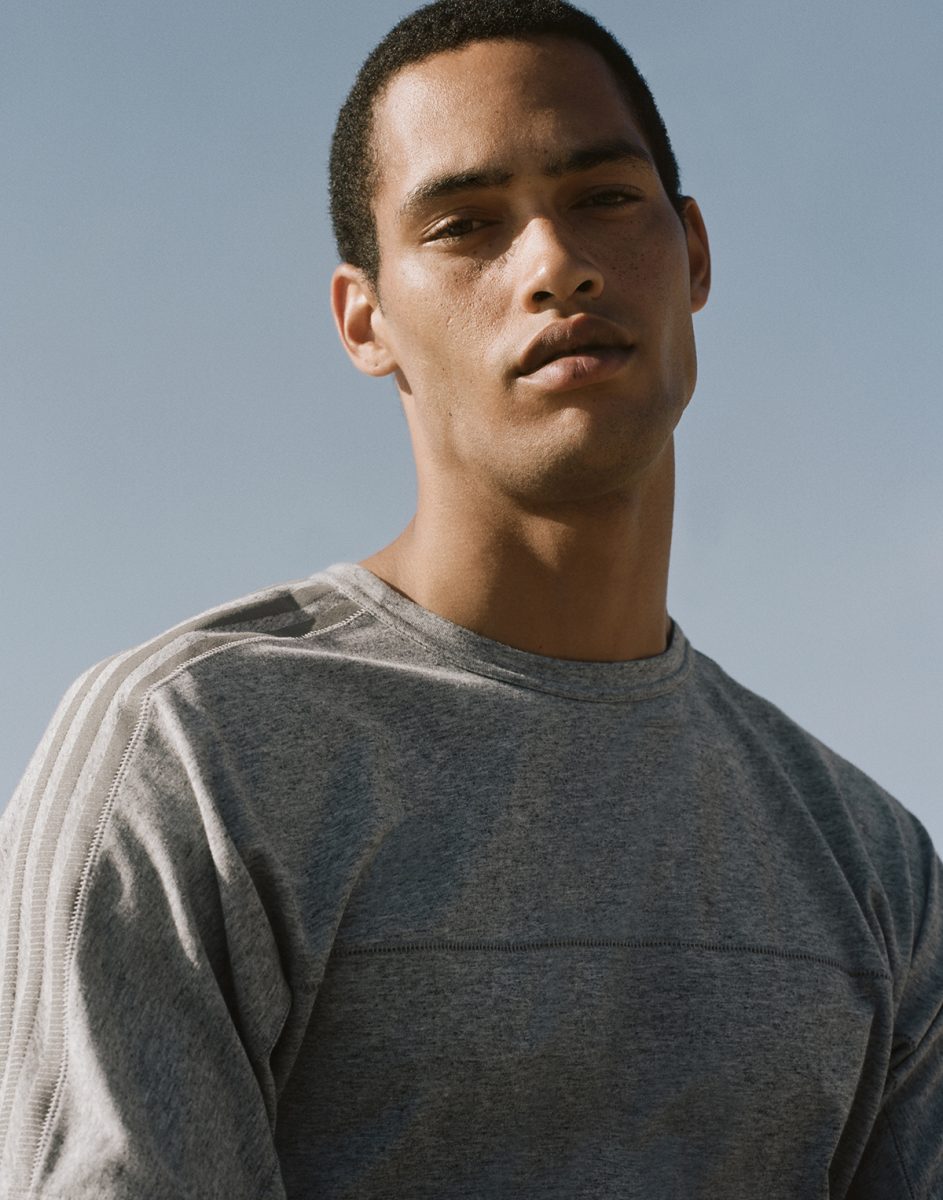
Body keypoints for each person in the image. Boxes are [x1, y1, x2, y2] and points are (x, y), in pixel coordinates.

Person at [1, 0, 940, 1194]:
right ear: (366, 322)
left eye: (605, 197)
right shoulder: (189, 758)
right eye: (464, 226)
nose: (555, 264)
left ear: (694, 254)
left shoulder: (870, 863)